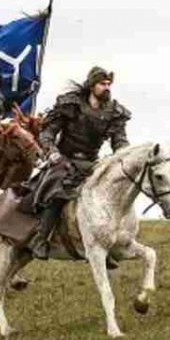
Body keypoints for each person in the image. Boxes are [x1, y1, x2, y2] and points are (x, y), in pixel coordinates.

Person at [27, 66, 130, 260]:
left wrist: (124, 155)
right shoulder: (71, 104)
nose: (107, 87)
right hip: (64, 159)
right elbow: (48, 132)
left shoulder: (114, 112)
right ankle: (40, 239)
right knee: (58, 188)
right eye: (102, 84)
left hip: (92, 162)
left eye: (109, 84)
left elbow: (119, 140)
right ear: (92, 85)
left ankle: (104, 243)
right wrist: (51, 151)